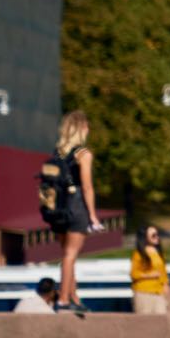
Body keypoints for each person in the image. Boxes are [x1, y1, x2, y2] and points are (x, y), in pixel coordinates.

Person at [40, 111, 101, 315]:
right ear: (82, 128)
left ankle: (73, 297)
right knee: (70, 255)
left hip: (57, 209)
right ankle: (64, 299)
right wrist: (92, 215)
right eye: (87, 126)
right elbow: (87, 187)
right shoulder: (83, 154)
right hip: (75, 207)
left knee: (67, 255)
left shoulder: (58, 153)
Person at [130, 225, 169, 315]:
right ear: (145, 237)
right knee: (145, 323)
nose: (157, 237)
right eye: (153, 235)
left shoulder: (157, 252)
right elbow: (133, 274)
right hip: (144, 292)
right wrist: (150, 275)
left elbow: (163, 271)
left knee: (161, 320)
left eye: (157, 235)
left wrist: (165, 284)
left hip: (158, 293)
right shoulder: (138, 254)